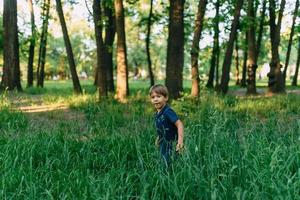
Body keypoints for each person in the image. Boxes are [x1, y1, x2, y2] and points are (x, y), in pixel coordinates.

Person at [149, 84, 184, 167]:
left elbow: (179, 124)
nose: (155, 99)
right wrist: (159, 137)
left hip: (171, 143)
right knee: (163, 161)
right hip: (163, 143)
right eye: (153, 97)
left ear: (166, 98)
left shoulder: (167, 111)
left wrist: (180, 141)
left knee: (170, 162)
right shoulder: (157, 114)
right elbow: (162, 127)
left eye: (158, 96)